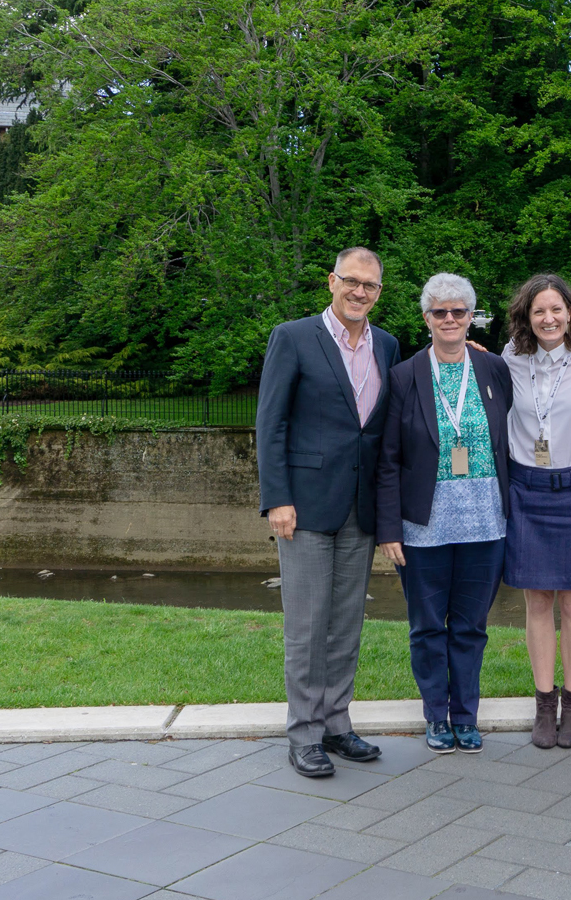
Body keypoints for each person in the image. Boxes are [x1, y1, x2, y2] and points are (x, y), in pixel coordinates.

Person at [256, 246, 401, 777]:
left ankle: (337, 723)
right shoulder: (293, 337)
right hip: (305, 507)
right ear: (332, 282)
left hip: (360, 507)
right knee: (307, 625)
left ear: (379, 292)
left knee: (346, 623)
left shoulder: (386, 345)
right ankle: (304, 733)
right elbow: (270, 424)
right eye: (351, 281)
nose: (360, 291)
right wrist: (277, 498)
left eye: (370, 285)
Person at [375, 273, 513, 755]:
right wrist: (389, 527)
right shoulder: (404, 376)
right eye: (440, 312)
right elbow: (388, 458)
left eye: (459, 311)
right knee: (428, 626)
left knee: (472, 627)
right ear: (426, 318)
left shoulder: (493, 369)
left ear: (471, 316)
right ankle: (436, 715)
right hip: (422, 527)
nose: (450, 319)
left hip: (486, 523)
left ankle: (466, 716)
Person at [502, 273, 571, 749]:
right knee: (538, 601)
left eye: (556, 309)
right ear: (527, 316)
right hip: (527, 489)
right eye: (538, 311)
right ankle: (544, 704)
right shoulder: (509, 357)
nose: (548, 318)